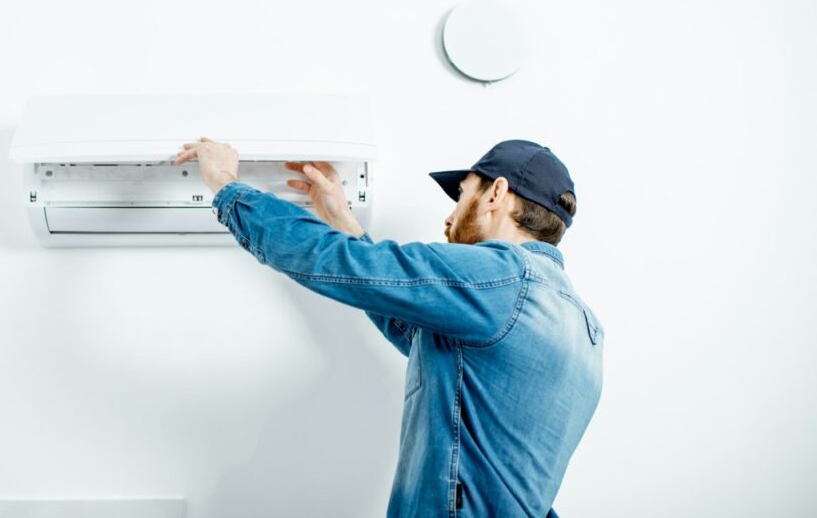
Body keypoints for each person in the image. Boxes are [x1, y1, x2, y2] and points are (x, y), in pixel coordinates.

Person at [175, 137, 604, 518]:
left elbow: (344, 263)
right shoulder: (584, 328)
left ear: (496, 193)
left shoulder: (501, 277)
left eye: (462, 195)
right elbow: (428, 344)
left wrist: (227, 186)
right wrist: (344, 222)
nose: (450, 218)